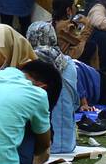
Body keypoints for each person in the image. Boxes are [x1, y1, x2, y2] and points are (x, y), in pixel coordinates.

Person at [26, 21, 85, 152]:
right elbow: (74, 103)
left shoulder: (30, 63)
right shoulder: (69, 63)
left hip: (41, 146)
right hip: (68, 143)